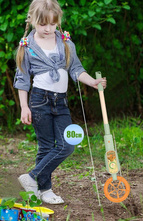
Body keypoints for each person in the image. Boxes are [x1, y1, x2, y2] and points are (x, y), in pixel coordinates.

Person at [13, 0, 106, 205]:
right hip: (39, 101)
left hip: (61, 103)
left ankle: (32, 176)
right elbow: (22, 80)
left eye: (52, 24)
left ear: (58, 22)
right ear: (33, 20)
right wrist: (24, 107)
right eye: (43, 24)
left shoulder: (64, 42)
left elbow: (76, 69)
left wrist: (92, 82)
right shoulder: (27, 47)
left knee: (67, 145)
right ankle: (44, 190)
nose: (48, 29)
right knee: (46, 147)